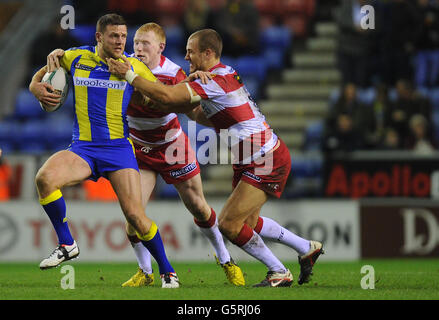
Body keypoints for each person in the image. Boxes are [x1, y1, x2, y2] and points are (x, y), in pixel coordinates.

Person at [107, 29, 324, 287]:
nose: (186, 55)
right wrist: (184, 91)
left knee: (229, 224)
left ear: (208, 53)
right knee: (248, 223)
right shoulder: (222, 74)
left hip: (265, 157)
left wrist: (130, 76)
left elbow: (167, 96)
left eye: (191, 51)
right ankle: (305, 247)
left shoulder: (213, 81)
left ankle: (278, 271)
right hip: (250, 158)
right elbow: (198, 114)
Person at [28, 14, 179, 288]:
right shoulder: (75, 57)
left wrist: (134, 80)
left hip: (118, 149)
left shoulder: (132, 65)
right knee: (44, 178)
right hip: (83, 148)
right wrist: (34, 86)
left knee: (135, 216)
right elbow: (44, 71)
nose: (121, 41)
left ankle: (168, 271)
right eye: (114, 36)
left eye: (123, 36)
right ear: (99, 37)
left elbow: (160, 94)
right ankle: (67, 243)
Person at [121, 22, 244, 287]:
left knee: (199, 207)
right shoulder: (122, 66)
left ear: (160, 47)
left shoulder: (173, 73)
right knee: (133, 214)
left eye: (146, 43)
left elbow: (191, 111)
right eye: (136, 43)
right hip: (139, 148)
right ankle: (146, 271)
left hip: (171, 146)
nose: (139, 48)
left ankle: (226, 260)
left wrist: (222, 118)